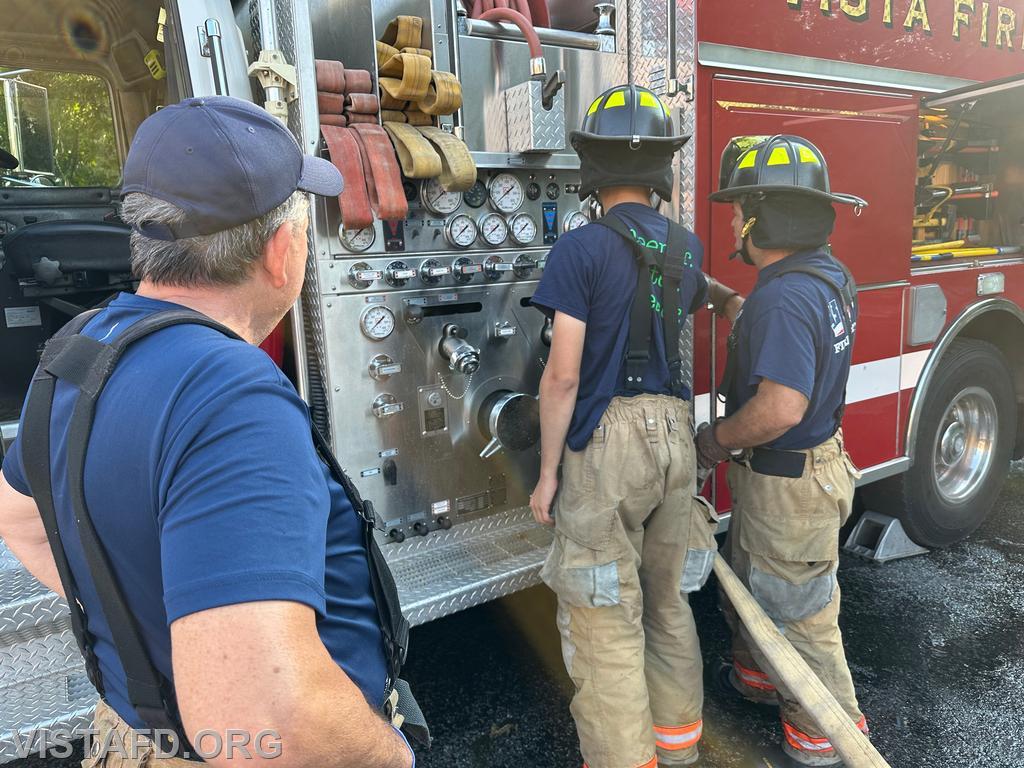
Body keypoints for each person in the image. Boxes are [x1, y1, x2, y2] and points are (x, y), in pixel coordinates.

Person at [0, 96, 415, 768]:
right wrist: (390, 754)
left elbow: (17, 516)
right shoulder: (232, 397)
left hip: (129, 738)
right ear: (282, 253)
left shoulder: (80, 348)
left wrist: (169, 635)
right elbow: (263, 726)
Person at [529, 84, 715, 768]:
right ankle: (678, 747)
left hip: (607, 442)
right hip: (674, 431)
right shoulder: (688, 248)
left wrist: (547, 474)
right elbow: (683, 314)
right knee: (666, 601)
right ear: (660, 172)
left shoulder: (578, 251)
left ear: (594, 170)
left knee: (603, 612)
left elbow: (563, 376)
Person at [699, 134, 867, 767]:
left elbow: (779, 408)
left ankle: (827, 736)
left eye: (742, 208)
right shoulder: (822, 275)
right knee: (750, 581)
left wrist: (713, 442)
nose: (734, 221)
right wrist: (713, 291)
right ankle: (761, 679)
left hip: (788, 482)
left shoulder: (784, 297)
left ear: (766, 216)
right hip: (792, 476)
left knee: (799, 615)